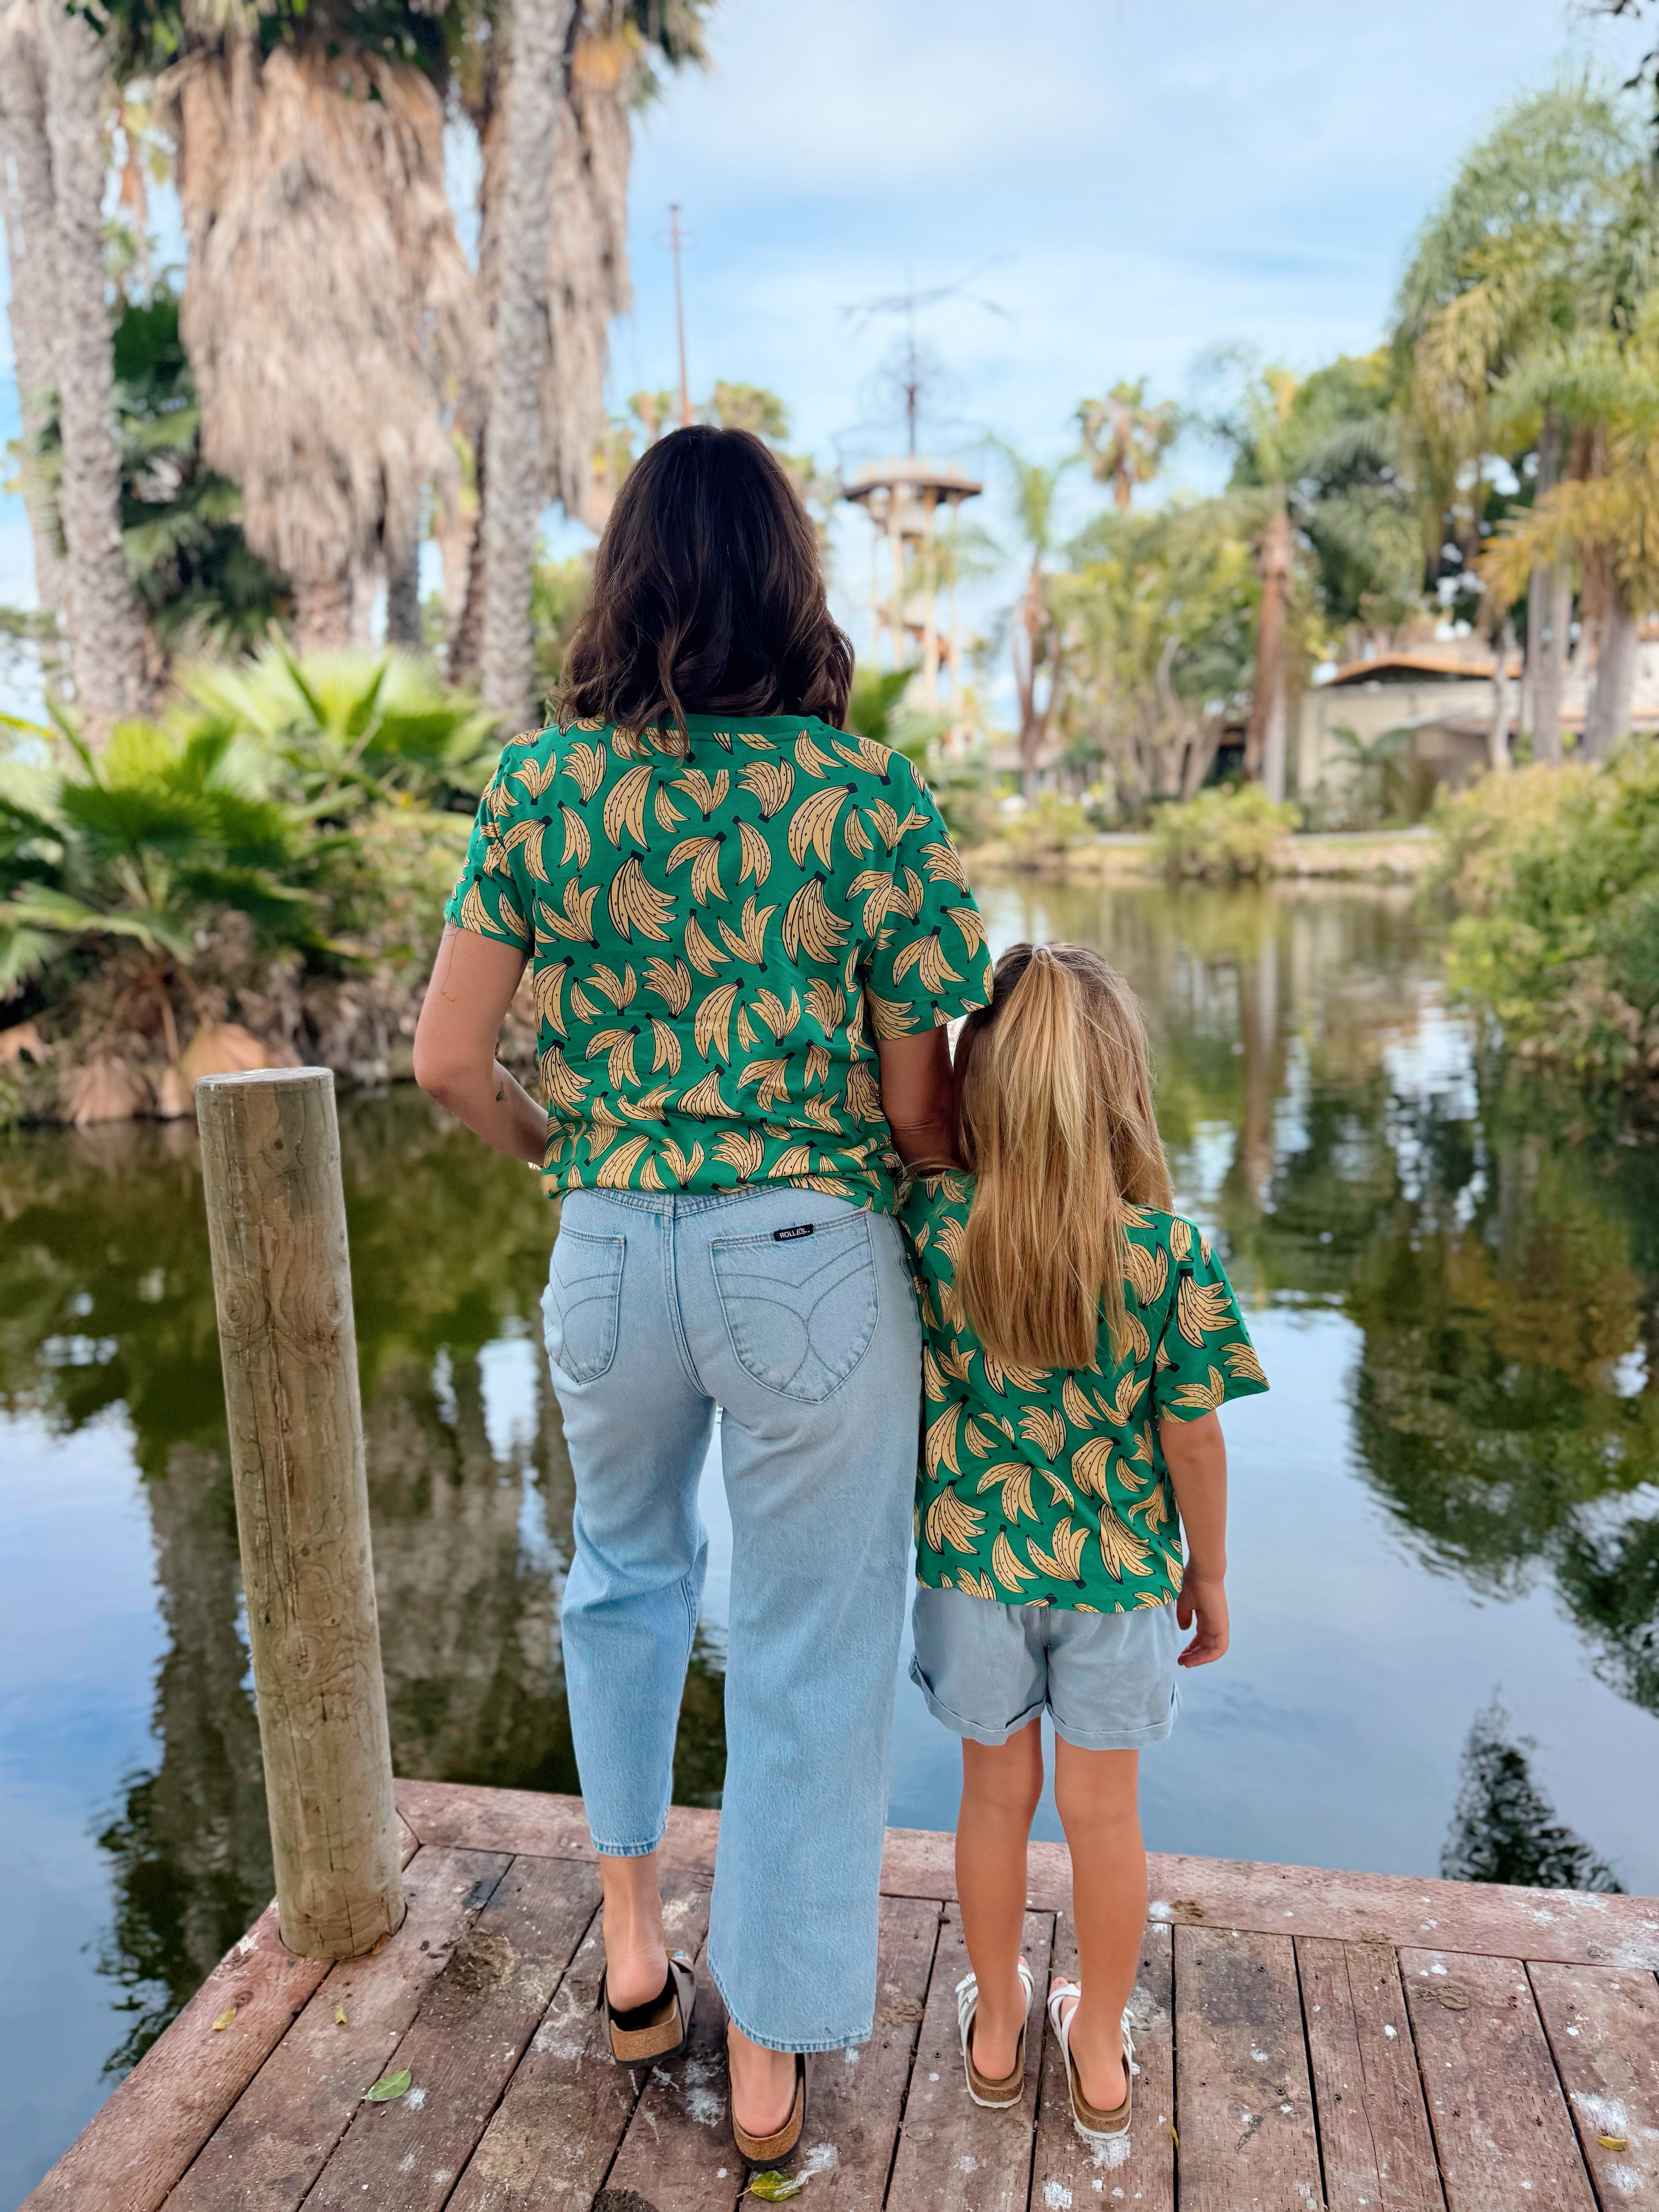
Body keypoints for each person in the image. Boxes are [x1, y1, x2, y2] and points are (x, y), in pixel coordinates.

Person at [412, 425, 992, 2166]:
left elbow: (447, 1064)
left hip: (609, 1247)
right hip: (811, 1253)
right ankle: (768, 2066)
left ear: (628, 579)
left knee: (623, 1582)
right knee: (811, 1646)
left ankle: (632, 1958)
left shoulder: (540, 789)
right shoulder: (864, 796)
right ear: (792, 580)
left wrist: (567, 1155)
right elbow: (922, 1115)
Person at [898, 941, 1267, 2144]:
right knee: (1104, 1818)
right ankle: (1098, 2051)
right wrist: (1208, 1573)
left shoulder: (929, 1223)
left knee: (991, 1799)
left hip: (971, 1571)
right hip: (1116, 1579)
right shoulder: (1167, 1254)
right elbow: (1193, 1438)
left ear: (981, 1089)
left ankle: (997, 2030)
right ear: (1121, 1089)